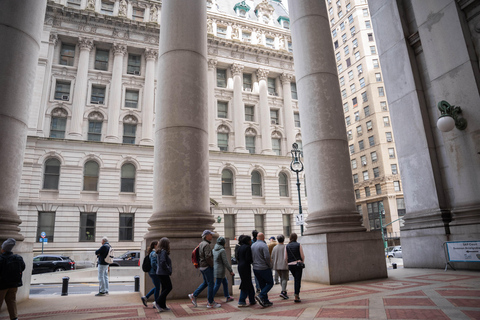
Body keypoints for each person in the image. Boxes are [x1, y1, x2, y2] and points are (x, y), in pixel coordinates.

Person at [188, 230, 221, 308]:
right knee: (211, 284)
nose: (212, 236)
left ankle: (194, 295)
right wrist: (212, 265)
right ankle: (210, 302)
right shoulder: (206, 245)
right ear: (206, 236)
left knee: (206, 283)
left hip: (202, 266)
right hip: (207, 266)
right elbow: (208, 257)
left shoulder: (201, 244)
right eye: (210, 234)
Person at [0, 238, 26, 320]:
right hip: (14, 284)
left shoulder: (1, 259)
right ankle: (14, 317)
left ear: (3, 249)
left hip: (2, 285)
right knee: (12, 301)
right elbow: (22, 267)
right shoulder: (18, 258)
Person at [251, 232, 273, 307]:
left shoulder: (252, 245)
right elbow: (267, 257)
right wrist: (269, 265)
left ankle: (265, 300)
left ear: (257, 238)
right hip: (264, 268)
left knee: (262, 284)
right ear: (263, 238)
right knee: (270, 283)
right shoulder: (264, 245)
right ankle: (261, 295)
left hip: (255, 268)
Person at [212, 237, 234, 302]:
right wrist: (230, 270)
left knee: (225, 282)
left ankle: (227, 296)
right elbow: (225, 261)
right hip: (220, 270)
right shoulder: (222, 250)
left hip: (216, 269)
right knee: (217, 285)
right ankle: (210, 298)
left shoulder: (214, 250)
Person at [236, 235, 256, 307]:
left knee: (248, 282)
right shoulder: (248, 247)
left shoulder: (239, 247)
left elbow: (237, 257)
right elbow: (248, 258)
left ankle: (252, 299)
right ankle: (241, 300)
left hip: (240, 266)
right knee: (245, 283)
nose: (251, 241)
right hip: (245, 267)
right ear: (247, 241)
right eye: (250, 240)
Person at [285, 233, 305, 303]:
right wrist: (302, 262)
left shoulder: (287, 246)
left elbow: (285, 257)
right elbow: (302, 255)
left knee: (296, 278)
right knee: (297, 280)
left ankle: (297, 295)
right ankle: (296, 296)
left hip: (290, 265)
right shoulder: (298, 245)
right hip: (297, 264)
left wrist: (288, 263)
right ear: (296, 238)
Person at [155, 237, 172, 312]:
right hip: (163, 273)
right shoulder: (163, 251)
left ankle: (163, 305)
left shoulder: (160, 251)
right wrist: (168, 269)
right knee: (169, 287)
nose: (169, 245)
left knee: (164, 288)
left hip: (160, 272)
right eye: (168, 243)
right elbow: (163, 262)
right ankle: (157, 302)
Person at [141, 240, 160, 308]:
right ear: (155, 245)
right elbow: (153, 263)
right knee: (157, 287)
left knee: (157, 287)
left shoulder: (152, 252)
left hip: (152, 272)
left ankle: (146, 297)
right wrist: (158, 269)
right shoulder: (154, 253)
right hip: (154, 272)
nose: (159, 245)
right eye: (158, 244)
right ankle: (156, 302)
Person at [271, 235, 289, 299]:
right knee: (284, 278)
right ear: (283, 240)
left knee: (282, 278)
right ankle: (283, 291)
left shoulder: (275, 248)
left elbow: (272, 257)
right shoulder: (285, 247)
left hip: (277, 265)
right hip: (284, 264)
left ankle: (283, 290)